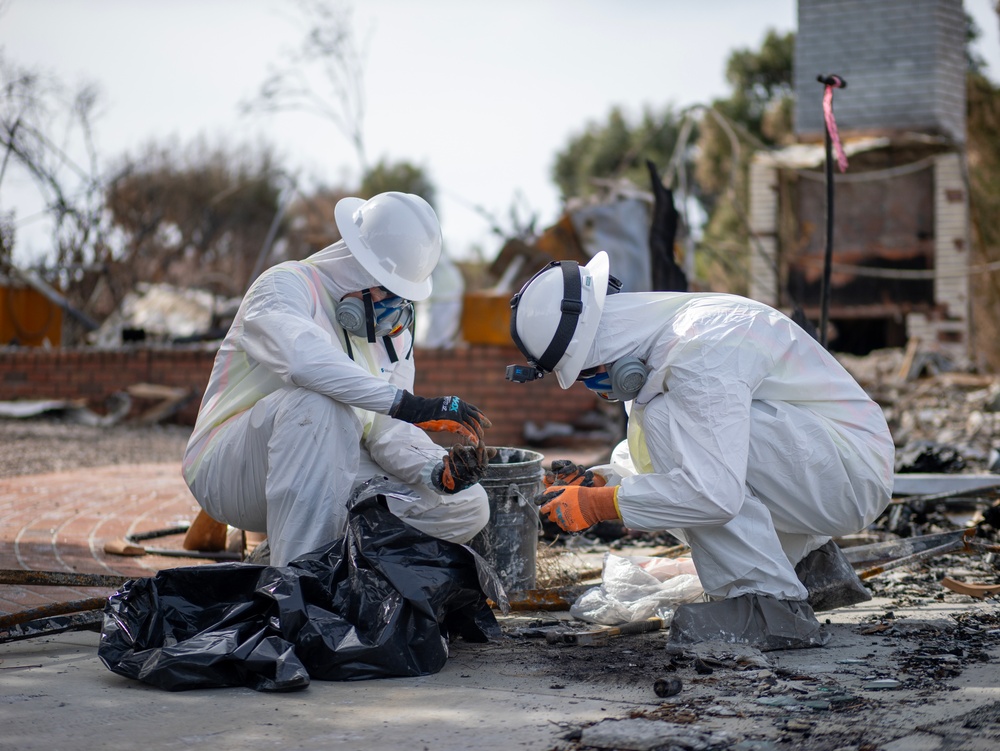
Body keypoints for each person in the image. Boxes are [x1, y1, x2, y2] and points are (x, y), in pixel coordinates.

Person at [505, 251, 894, 649]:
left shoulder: (699, 352)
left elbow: (713, 494)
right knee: (661, 435)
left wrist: (599, 505)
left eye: (587, 375)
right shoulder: (661, 342)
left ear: (600, 350)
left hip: (850, 473)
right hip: (823, 464)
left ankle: (770, 607)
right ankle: (805, 563)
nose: (593, 388)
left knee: (669, 429)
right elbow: (659, 461)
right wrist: (600, 482)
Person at [183, 191, 493, 567]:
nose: (394, 311)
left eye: (403, 298)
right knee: (318, 402)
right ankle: (300, 588)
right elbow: (304, 361)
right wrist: (406, 404)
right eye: (388, 292)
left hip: (328, 468)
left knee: (466, 504)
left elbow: (385, 431)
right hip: (231, 470)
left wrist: (435, 471)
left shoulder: (392, 333)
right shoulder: (284, 288)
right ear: (358, 268)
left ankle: (313, 562)